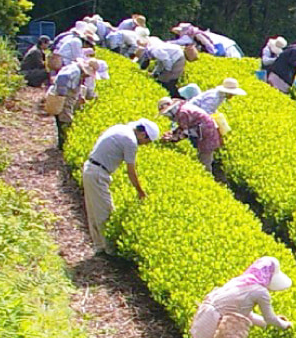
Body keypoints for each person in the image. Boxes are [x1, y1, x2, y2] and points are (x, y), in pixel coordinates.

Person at [80, 119, 157, 254]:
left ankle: (100, 247)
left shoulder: (121, 128)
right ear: (143, 135)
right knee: (106, 213)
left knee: (94, 210)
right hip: (98, 173)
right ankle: (109, 251)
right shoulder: (130, 141)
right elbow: (131, 171)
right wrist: (141, 191)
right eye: (147, 141)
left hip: (91, 169)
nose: (145, 145)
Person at [158, 97, 225, 171]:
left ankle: (207, 176)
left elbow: (185, 133)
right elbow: (183, 127)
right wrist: (173, 133)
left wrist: (171, 139)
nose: (167, 117)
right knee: (205, 156)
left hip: (206, 134)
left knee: (204, 159)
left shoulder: (182, 113)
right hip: (206, 131)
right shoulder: (182, 109)